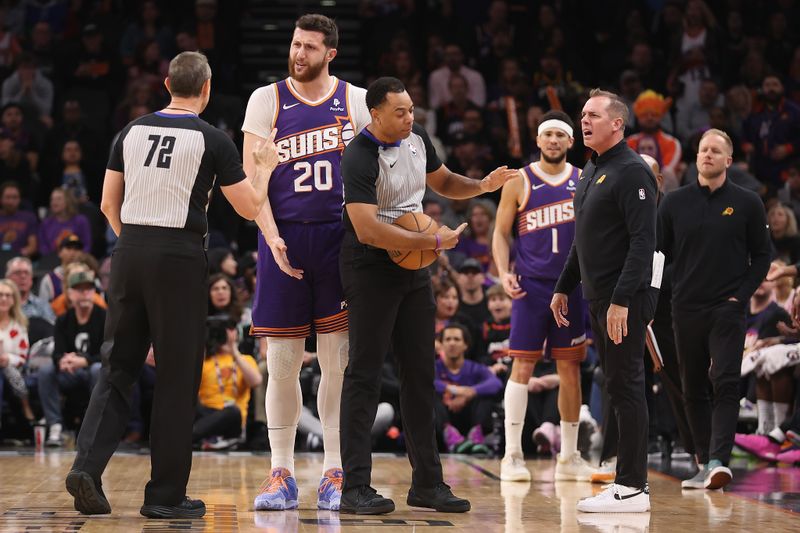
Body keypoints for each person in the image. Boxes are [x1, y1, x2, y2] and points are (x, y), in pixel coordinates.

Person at [64, 51, 278, 519]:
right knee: (178, 378)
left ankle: (86, 467)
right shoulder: (213, 139)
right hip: (179, 258)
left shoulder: (130, 131)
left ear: (166, 84)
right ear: (206, 88)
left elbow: (106, 204)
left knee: (117, 366)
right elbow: (247, 208)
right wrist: (263, 165)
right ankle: (163, 495)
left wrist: (135, 246)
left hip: (128, 253)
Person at [339, 76, 516, 515]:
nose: (410, 118)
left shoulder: (418, 139)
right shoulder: (358, 155)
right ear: (375, 113)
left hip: (414, 267)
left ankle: (428, 484)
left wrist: (482, 186)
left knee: (420, 373)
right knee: (364, 374)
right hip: (370, 265)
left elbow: (444, 181)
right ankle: (354, 487)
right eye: (400, 112)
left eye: (412, 110)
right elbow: (367, 228)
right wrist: (433, 244)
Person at [241, 14, 370, 512]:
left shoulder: (355, 100)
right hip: (284, 239)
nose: (299, 54)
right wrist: (271, 238)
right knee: (282, 363)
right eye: (295, 44)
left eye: (309, 48)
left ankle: (335, 469)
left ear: (330, 53)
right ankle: (282, 472)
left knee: (337, 363)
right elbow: (256, 181)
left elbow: (372, 173)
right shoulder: (265, 99)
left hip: (340, 241)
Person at [551, 88, 657, 513]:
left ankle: (633, 487)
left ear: (618, 123)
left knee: (627, 386)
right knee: (615, 385)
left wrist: (622, 300)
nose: (584, 121)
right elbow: (584, 239)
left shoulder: (632, 171)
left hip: (623, 300)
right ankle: (624, 482)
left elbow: (643, 241)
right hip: (599, 296)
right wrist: (563, 285)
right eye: (582, 115)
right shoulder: (591, 169)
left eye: (593, 115)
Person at [658, 128, 770, 491]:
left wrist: (742, 295)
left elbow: (763, 255)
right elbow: (660, 255)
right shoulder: (674, 202)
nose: (707, 155)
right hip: (685, 307)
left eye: (715, 150)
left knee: (724, 381)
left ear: (728, 160)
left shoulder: (748, 202)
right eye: (703, 149)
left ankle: (720, 460)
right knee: (692, 388)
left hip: (727, 308)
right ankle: (704, 461)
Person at [493, 110, 595, 482]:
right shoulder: (520, 181)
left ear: (571, 142)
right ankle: (512, 454)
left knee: (571, 369)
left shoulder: (584, 181)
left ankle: (569, 457)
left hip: (571, 288)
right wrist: (503, 273)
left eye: (560, 135)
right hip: (530, 287)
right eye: (547, 134)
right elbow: (501, 233)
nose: (553, 140)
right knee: (522, 366)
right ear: (538, 140)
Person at [37, 270, 105, 447]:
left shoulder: (105, 317)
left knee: (98, 370)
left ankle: (96, 428)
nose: (84, 293)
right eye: (79, 289)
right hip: (70, 372)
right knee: (45, 371)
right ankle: (55, 427)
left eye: (88, 289)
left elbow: (109, 352)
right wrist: (62, 361)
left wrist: (85, 361)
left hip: (93, 370)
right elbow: (57, 352)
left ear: (95, 292)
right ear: (69, 294)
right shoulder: (63, 320)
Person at [193, 315, 262, 450]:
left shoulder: (245, 359)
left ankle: (189, 437)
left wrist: (234, 351)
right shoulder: (204, 360)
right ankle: (200, 437)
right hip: (206, 414)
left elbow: (256, 381)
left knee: (232, 412)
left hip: (232, 418)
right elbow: (188, 386)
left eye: (230, 329)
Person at [435, 323, 502, 454]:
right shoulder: (434, 367)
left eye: (457, 339)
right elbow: (425, 382)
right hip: (443, 419)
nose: (452, 343)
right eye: (447, 340)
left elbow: (496, 383)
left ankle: (476, 436)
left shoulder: (475, 367)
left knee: (485, 396)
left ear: (465, 345)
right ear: (441, 345)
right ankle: (451, 436)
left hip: (470, 418)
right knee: (429, 396)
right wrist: (452, 390)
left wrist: (471, 392)